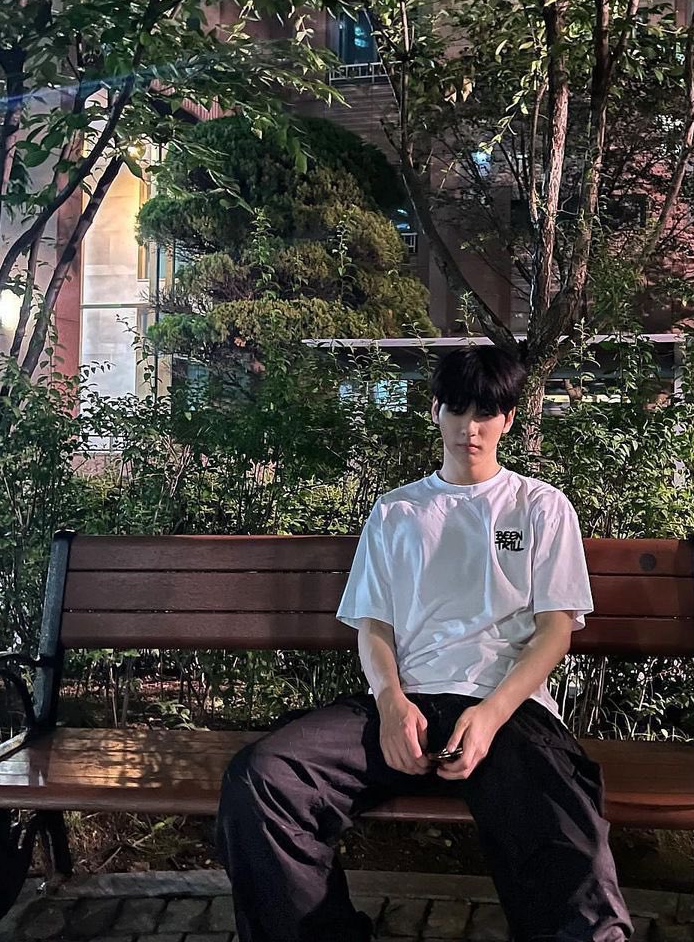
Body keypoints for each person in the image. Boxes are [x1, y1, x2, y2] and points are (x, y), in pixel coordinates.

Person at [217, 346, 632, 941]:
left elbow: (554, 631)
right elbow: (373, 627)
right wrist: (390, 702)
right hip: (404, 705)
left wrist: (490, 714)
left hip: (506, 710)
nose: (471, 428)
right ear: (435, 411)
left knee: (564, 829)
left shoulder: (540, 507)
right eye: (458, 410)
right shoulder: (397, 512)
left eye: (486, 413)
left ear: (508, 419)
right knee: (264, 778)